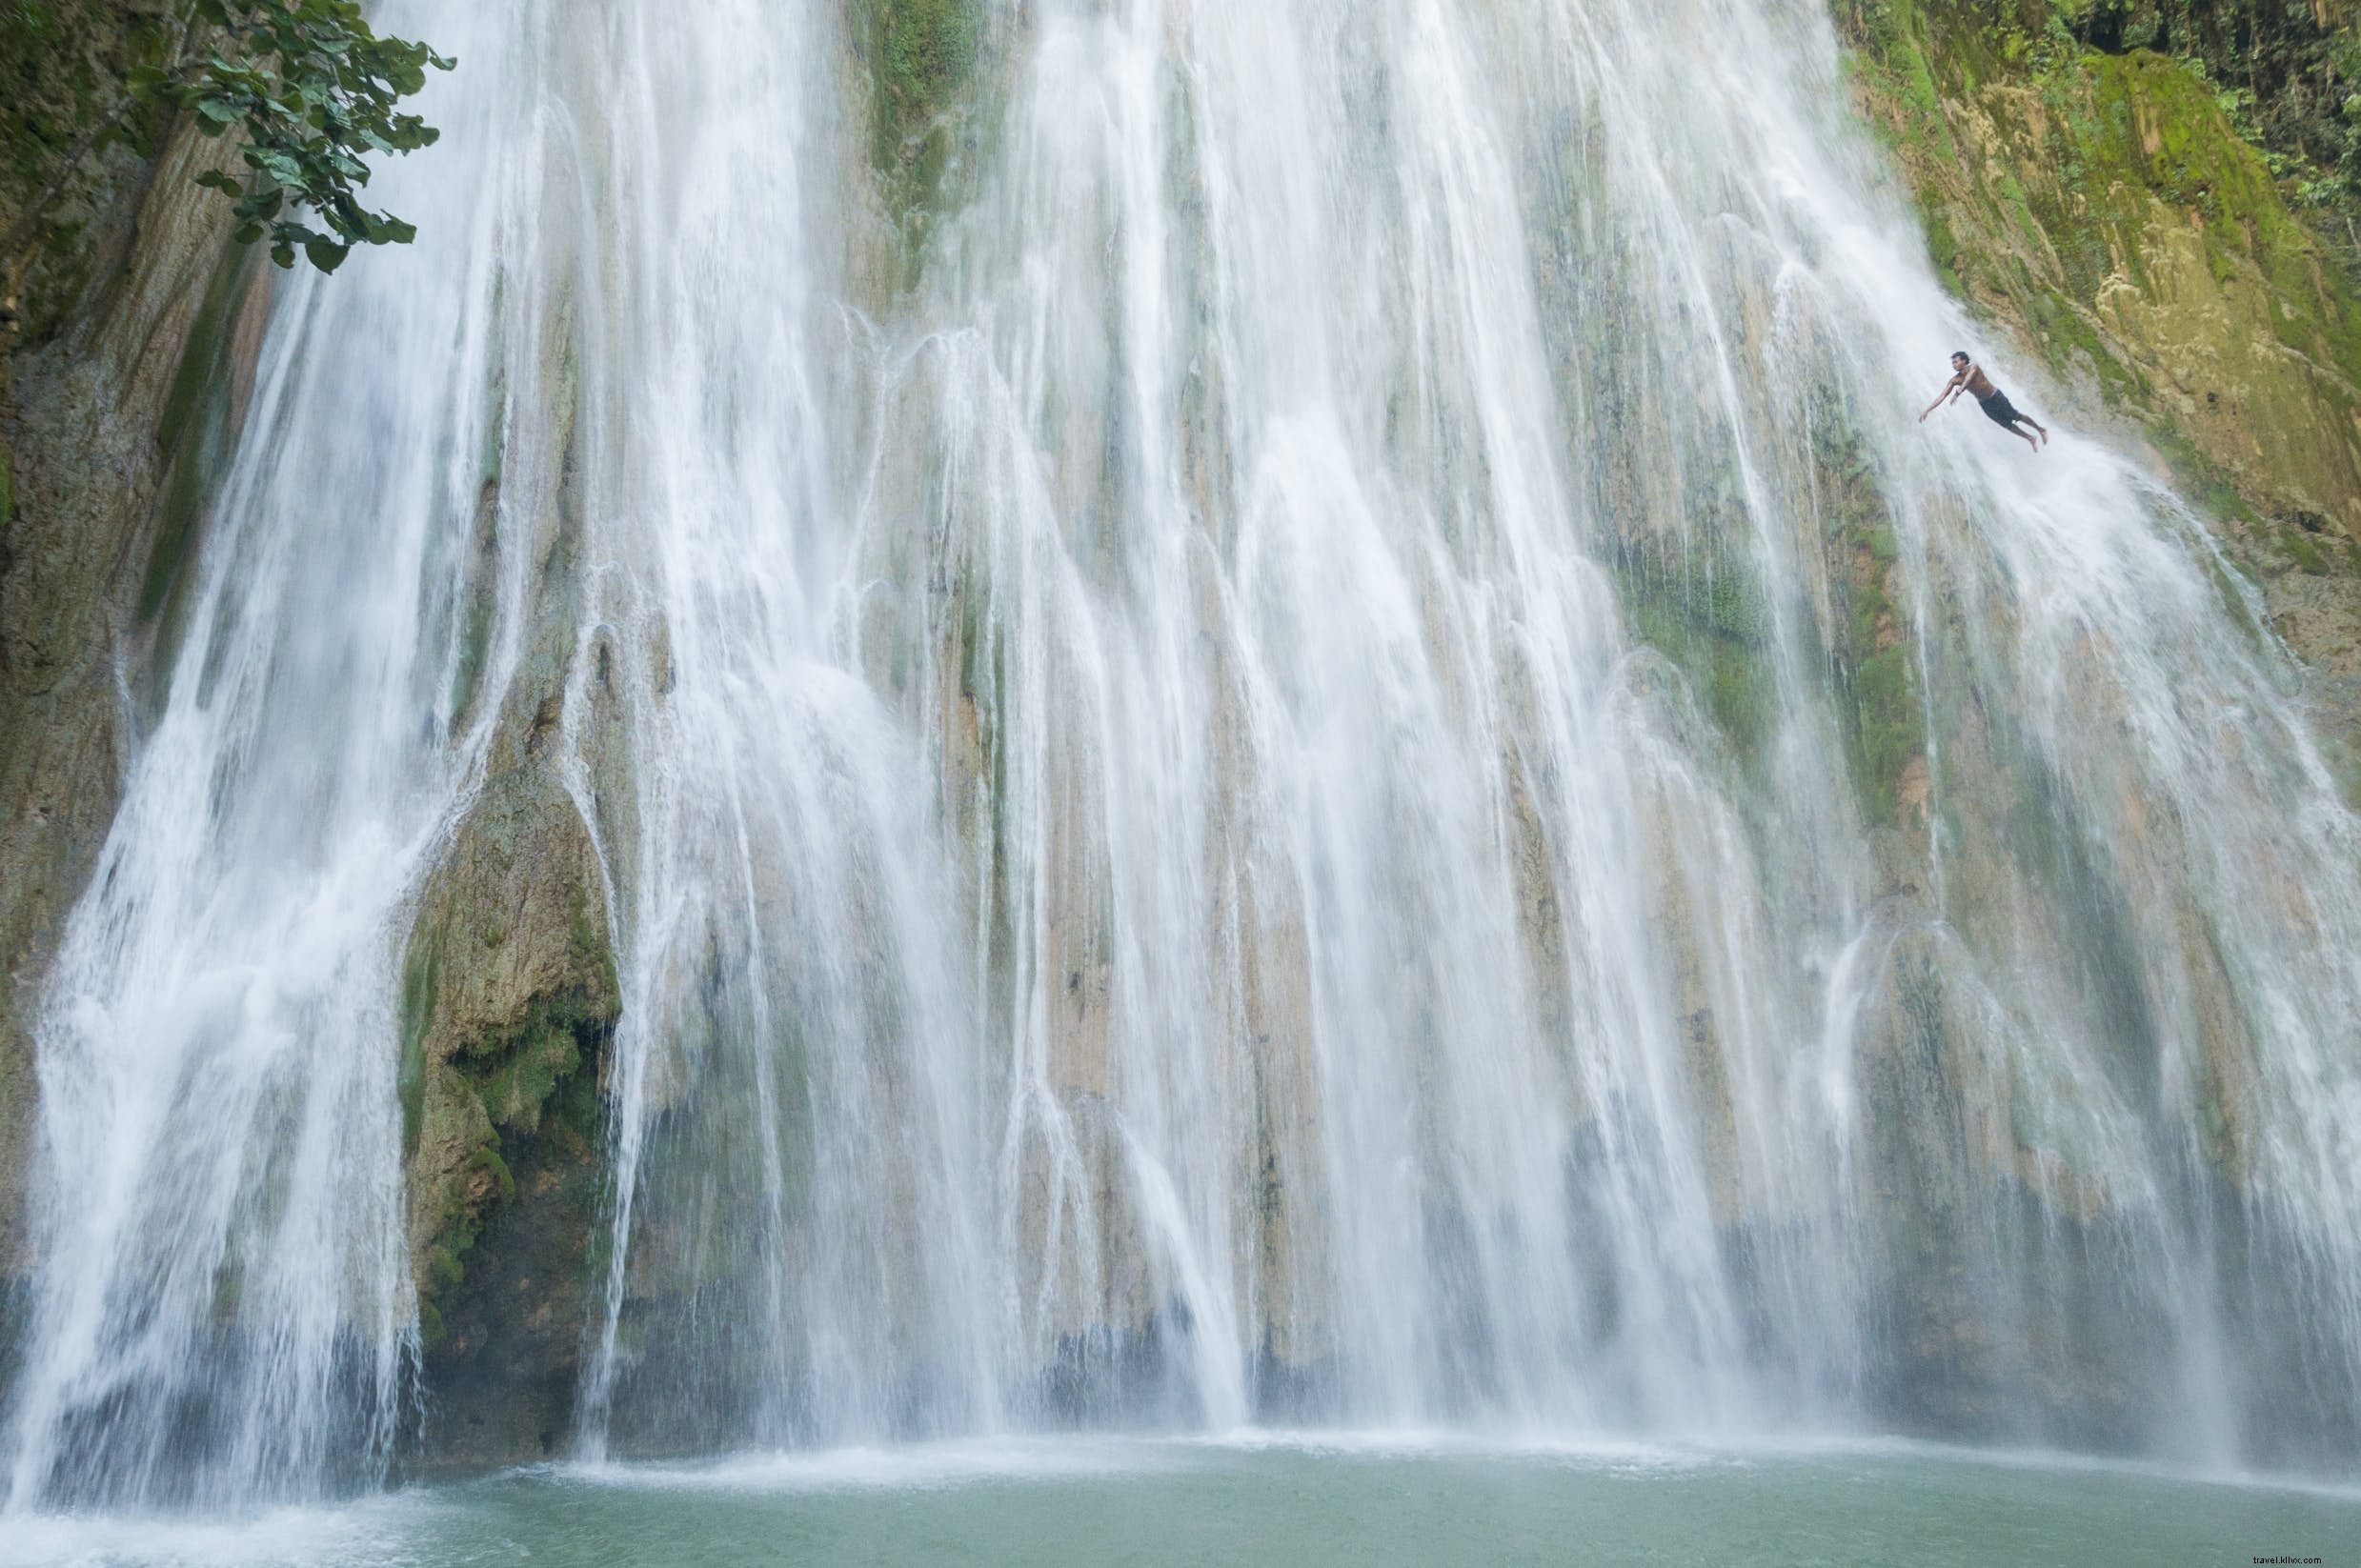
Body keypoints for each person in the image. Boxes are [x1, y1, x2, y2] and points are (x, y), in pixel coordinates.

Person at [1920, 351, 2048, 452]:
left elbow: (1969, 379)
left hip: (1995, 396)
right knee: (2007, 425)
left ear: (1964, 361)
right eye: (1952, 363)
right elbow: (1942, 395)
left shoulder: (1974, 367)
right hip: (1985, 404)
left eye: (1956, 362)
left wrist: (1959, 392)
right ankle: (2030, 438)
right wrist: (1927, 410)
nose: (1954, 365)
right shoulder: (1955, 380)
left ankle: (2040, 429)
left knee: (2015, 416)